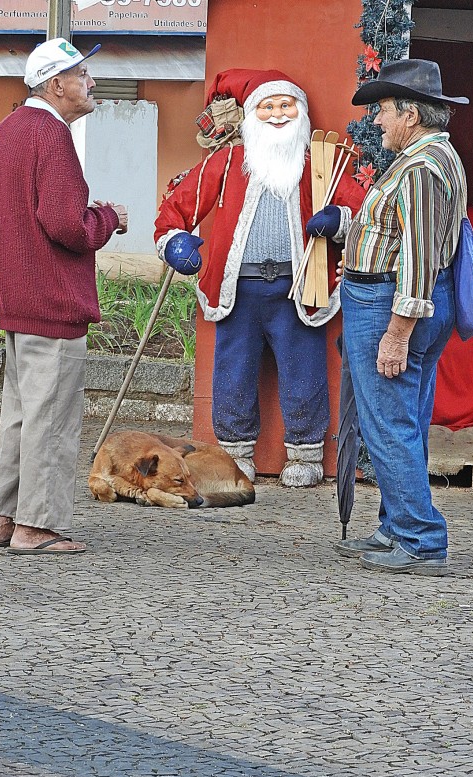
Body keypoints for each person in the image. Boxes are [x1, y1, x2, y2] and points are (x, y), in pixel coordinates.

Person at [154, 68, 365, 487]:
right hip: (238, 290)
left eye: (286, 105)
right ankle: (233, 455)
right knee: (233, 370)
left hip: (298, 289)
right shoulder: (228, 162)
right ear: (252, 115)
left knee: (305, 370)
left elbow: (363, 214)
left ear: (300, 113)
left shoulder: (320, 166)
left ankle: (304, 453)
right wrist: (176, 242)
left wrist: (338, 220)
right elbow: (177, 207)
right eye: (267, 107)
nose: (277, 115)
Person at [0, 38, 128, 555]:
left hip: (18, 300)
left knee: (19, 415)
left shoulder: (8, 130)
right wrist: (108, 219)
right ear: (56, 84)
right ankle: (35, 526)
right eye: (82, 75)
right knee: (52, 419)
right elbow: (66, 224)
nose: (91, 84)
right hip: (52, 300)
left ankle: (1, 520)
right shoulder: (52, 134)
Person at [336, 59, 469, 575]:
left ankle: (419, 538)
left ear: (410, 114)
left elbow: (415, 255)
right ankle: (397, 528)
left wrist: (397, 332)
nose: (377, 121)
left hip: (392, 306)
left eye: (384, 111)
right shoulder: (435, 156)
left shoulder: (418, 168)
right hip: (403, 301)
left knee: (388, 424)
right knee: (402, 420)